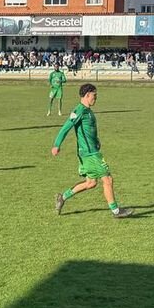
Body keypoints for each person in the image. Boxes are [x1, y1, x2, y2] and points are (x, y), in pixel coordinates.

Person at [52, 84, 133, 218]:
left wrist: (96, 140)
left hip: (91, 150)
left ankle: (63, 197)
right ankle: (116, 211)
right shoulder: (79, 111)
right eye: (94, 95)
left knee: (91, 183)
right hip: (89, 154)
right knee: (107, 179)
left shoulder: (88, 111)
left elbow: (89, 130)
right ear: (87, 94)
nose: (96, 98)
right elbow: (66, 127)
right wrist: (56, 145)